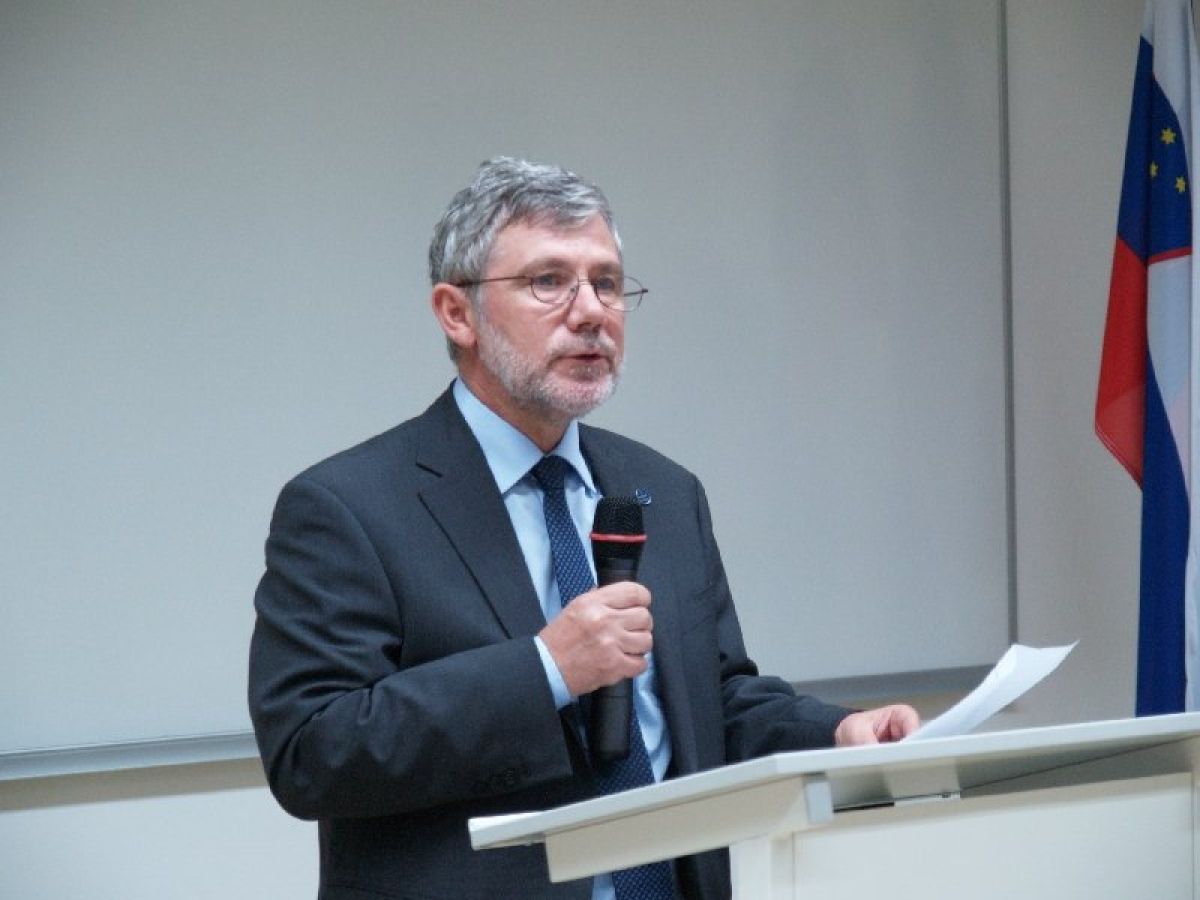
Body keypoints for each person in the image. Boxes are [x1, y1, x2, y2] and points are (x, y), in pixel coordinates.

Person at [248, 157, 919, 900]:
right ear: (457, 313)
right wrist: (545, 669)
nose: (591, 311)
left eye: (606, 282)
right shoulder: (348, 507)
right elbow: (313, 752)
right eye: (548, 281)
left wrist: (834, 734)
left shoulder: (663, 490)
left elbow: (712, 699)